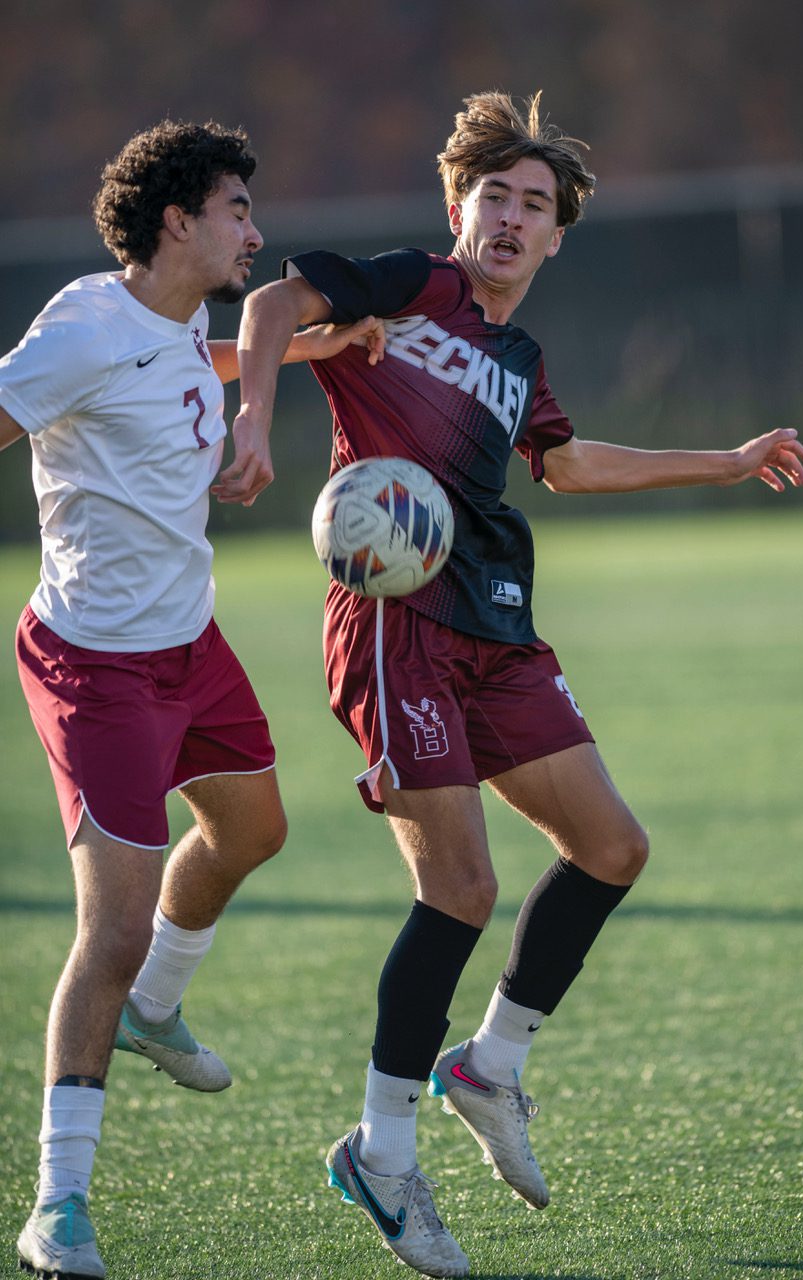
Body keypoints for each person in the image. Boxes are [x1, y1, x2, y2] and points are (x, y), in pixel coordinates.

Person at [230, 91, 803, 1278]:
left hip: (495, 619)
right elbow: (271, 305)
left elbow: (568, 461)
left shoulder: (517, 357)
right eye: (492, 194)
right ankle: (381, 1151)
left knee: (611, 846)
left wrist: (727, 459)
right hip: (396, 619)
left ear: (556, 235)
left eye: (533, 204)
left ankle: (489, 1065)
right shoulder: (411, 285)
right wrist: (254, 411)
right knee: (460, 887)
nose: (509, 216)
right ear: (458, 207)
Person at [0, 119, 384, 1280]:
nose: (255, 234)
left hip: (190, 644)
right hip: (96, 664)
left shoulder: (174, 320)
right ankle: (58, 1203)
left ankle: (154, 1007)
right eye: (236, 212)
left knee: (254, 829)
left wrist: (305, 354)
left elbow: (181, 363)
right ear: (177, 220)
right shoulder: (83, 324)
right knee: (111, 930)